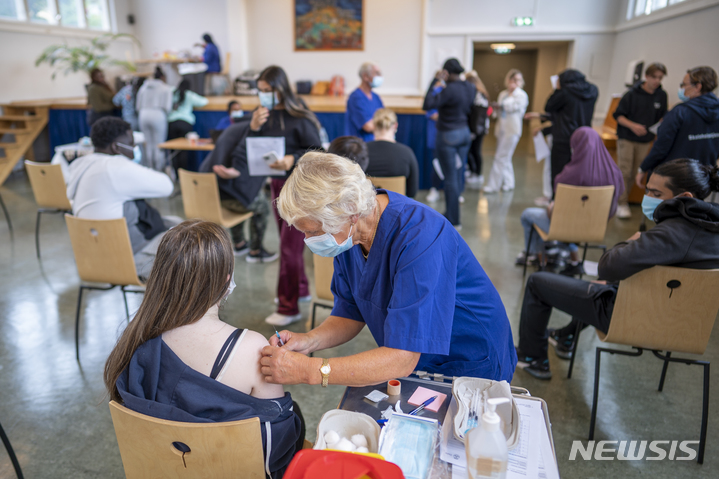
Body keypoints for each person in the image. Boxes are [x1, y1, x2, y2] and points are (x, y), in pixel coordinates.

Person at [259, 152, 517, 387]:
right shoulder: (350, 237)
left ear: (350, 213)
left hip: (469, 356)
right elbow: (350, 311)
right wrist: (309, 340)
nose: (308, 240)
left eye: (314, 231)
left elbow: (402, 357)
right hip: (415, 361)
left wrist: (311, 370)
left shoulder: (420, 235)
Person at [104, 220, 304, 478]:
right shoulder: (252, 348)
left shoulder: (138, 343)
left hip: (166, 471)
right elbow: (275, 452)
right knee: (294, 414)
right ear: (226, 280)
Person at [515, 158, 719, 379]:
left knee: (538, 282)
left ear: (685, 197)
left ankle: (532, 357)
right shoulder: (710, 229)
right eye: (647, 191)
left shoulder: (670, 234)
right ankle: (565, 336)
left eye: (656, 194)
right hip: (685, 325)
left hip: (633, 318)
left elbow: (607, 267)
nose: (647, 199)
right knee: (606, 284)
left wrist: (631, 241)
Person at [249, 66, 323, 326]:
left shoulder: (299, 115)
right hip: (277, 185)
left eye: (268, 91)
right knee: (289, 244)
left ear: (281, 89)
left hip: (297, 188)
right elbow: (253, 147)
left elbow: (318, 151)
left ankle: (288, 306)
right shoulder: (263, 115)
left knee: (288, 248)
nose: (264, 95)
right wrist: (253, 127)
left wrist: (293, 158)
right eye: (260, 91)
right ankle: (300, 289)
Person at [65, 117, 179, 279]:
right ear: (116, 147)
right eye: (131, 143)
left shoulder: (82, 165)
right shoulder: (115, 167)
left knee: (175, 222)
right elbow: (167, 186)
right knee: (190, 243)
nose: (134, 148)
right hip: (127, 261)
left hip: (92, 258)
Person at [518, 127, 624, 274]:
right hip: (596, 228)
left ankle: (540, 260)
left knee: (528, 215)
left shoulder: (569, 174)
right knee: (574, 218)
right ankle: (574, 260)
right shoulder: (615, 171)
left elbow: (557, 212)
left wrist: (550, 208)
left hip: (566, 228)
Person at [199, 121, 278, 263]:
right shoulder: (248, 134)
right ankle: (256, 250)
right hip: (225, 195)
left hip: (209, 193)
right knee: (260, 205)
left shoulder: (232, 130)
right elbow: (240, 159)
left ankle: (239, 243)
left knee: (240, 193)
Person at [636, 66, 719, 188]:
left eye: (684, 85)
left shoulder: (680, 112)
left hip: (672, 179)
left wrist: (643, 168)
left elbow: (661, 147)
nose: (682, 89)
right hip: (701, 179)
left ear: (698, 87)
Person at [422, 58, 475, 228]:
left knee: (450, 178)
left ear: (446, 72)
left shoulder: (449, 89)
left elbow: (427, 104)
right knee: (458, 173)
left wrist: (435, 81)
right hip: (464, 133)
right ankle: (452, 213)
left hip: (448, 135)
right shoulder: (470, 87)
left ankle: (454, 219)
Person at [612, 63, 668, 219]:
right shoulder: (631, 94)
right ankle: (620, 203)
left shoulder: (661, 95)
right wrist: (633, 126)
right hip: (627, 137)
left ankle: (623, 200)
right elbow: (618, 116)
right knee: (624, 170)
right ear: (647, 76)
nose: (657, 81)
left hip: (646, 140)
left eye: (660, 78)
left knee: (636, 172)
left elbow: (663, 116)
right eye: (654, 77)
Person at [544, 69, 598, 190]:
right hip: (583, 137)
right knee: (580, 170)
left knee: (558, 171)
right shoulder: (593, 90)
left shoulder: (564, 92)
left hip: (563, 137)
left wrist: (556, 90)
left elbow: (549, 106)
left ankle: (556, 201)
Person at [483, 69, 528, 193]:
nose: (515, 82)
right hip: (501, 128)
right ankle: (509, 183)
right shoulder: (503, 94)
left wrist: (501, 105)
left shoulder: (521, 94)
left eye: (518, 80)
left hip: (512, 130)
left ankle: (493, 186)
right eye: (513, 79)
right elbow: (498, 111)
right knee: (506, 157)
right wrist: (496, 107)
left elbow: (512, 107)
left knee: (500, 157)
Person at [365, 109, 419, 198]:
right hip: (397, 210)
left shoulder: (361, 151)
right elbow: (412, 192)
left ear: (373, 126)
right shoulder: (406, 153)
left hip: (368, 209)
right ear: (395, 126)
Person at [167, 79, 209, 174]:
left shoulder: (172, 93)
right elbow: (204, 102)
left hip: (172, 123)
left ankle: (176, 175)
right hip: (185, 123)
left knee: (174, 150)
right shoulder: (189, 95)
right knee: (184, 150)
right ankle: (183, 174)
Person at [136, 67, 173, 171]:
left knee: (148, 144)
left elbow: (137, 106)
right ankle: (158, 170)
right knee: (158, 145)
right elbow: (168, 107)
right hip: (158, 114)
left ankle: (149, 169)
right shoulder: (166, 88)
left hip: (143, 114)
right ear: (162, 77)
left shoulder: (144, 87)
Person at [344, 62, 384, 141]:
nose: (380, 76)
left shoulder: (376, 97)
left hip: (376, 142)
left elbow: (384, 118)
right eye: (376, 73)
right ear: (365, 76)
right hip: (360, 145)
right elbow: (368, 126)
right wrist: (384, 128)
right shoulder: (356, 97)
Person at [465, 70, 490, 188]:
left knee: (475, 150)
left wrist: (474, 131)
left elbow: (478, 115)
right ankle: (473, 171)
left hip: (477, 128)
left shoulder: (478, 94)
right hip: (478, 127)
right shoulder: (479, 92)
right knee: (472, 150)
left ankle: (478, 174)